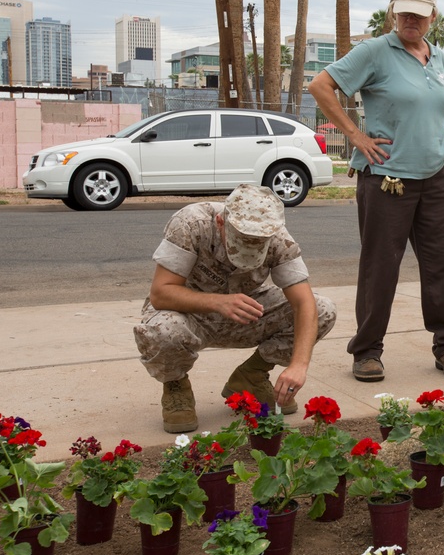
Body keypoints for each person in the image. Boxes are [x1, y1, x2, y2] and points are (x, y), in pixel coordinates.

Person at [308, 0, 444, 384]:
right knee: (381, 266)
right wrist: (356, 136)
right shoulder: (375, 52)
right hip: (387, 178)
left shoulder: (441, 59)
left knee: (441, 266)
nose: (411, 19)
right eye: (404, 11)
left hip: (435, 177)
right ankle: (367, 352)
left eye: (419, 13)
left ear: (433, 16)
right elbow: (321, 85)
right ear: (393, 12)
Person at [134, 183, 337, 433]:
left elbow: (303, 303)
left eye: (257, 244)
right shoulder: (191, 223)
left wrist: (299, 365)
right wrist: (217, 302)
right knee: (162, 330)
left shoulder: (279, 239)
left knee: (323, 309)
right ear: (221, 222)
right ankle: (176, 385)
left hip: (244, 314)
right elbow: (160, 293)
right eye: (240, 242)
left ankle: (251, 375)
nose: (249, 248)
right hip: (190, 315)